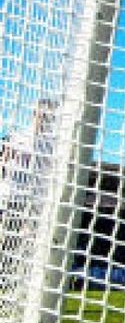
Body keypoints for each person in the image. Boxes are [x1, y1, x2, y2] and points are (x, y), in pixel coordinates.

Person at [0, 100, 59, 236]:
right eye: (41, 115)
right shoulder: (18, 136)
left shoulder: (54, 144)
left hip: (33, 202)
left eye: (48, 116)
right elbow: (3, 162)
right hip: (9, 196)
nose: (43, 119)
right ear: (34, 114)